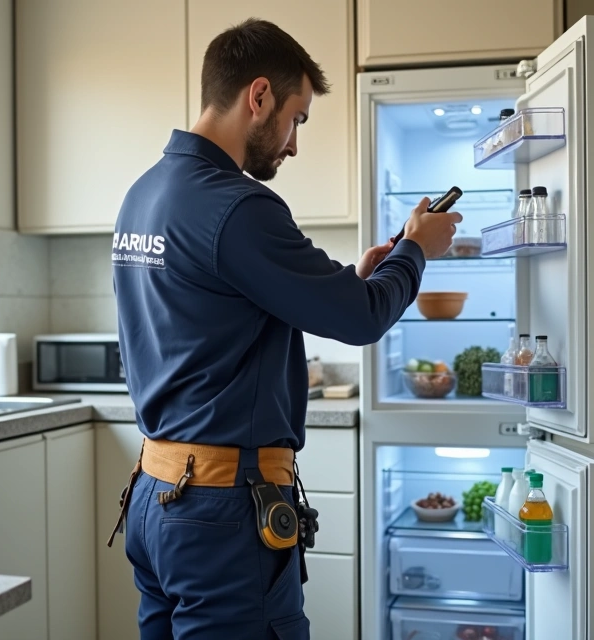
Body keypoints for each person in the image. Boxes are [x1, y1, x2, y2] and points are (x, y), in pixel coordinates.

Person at [107, 17, 461, 640]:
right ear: (260, 95)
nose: (294, 143)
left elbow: (220, 309)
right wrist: (417, 249)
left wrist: (353, 277)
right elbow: (362, 318)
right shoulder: (237, 205)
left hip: (155, 498)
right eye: (297, 117)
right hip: (220, 512)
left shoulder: (144, 194)